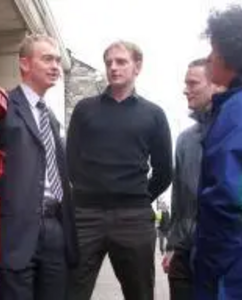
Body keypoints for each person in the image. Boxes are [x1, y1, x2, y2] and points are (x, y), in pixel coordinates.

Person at [66, 40, 173, 300]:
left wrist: (137, 195)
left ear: (137, 66)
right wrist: (93, 190)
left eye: (121, 61)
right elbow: (71, 161)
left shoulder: (154, 114)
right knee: (71, 291)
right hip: (86, 216)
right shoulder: (84, 110)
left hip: (133, 218)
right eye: (109, 62)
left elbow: (163, 170)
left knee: (140, 293)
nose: (113, 68)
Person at [0, 34, 78, 300]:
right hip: (15, 231)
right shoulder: (2, 105)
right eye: (47, 59)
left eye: (58, 61)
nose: (55, 66)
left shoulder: (50, 118)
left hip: (55, 229)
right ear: (25, 64)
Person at [193, 4, 242, 300]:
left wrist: (207, 266)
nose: (209, 58)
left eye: (213, 50)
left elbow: (230, 200)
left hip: (241, 279)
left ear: (230, 54)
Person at [162, 58, 221, 300]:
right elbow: (178, 197)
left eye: (193, 83)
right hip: (185, 253)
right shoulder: (185, 140)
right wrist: (172, 245)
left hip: (220, 251)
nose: (186, 89)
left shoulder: (236, 130)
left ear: (216, 85)